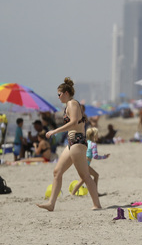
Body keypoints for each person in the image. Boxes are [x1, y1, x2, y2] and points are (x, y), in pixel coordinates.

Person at [37, 77, 101, 211]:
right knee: (57, 172)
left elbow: (73, 122)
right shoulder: (69, 105)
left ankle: (97, 204)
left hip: (77, 142)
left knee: (84, 176)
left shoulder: (72, 103)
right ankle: (51, 204)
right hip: (72, 143)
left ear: (66, 93)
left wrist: (55, 131)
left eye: (59, 94)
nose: (58, 97)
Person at [70, 127, 109, 196]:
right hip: (86, 164)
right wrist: (104, 157)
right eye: (97, 134)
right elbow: (95, 156)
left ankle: (72, 194)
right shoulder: (93, 144)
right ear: (94, 135)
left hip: (81, 163)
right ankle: (95, 193)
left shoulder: (86, 142)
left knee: (82, 179)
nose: (98, 136)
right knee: (96, 175)